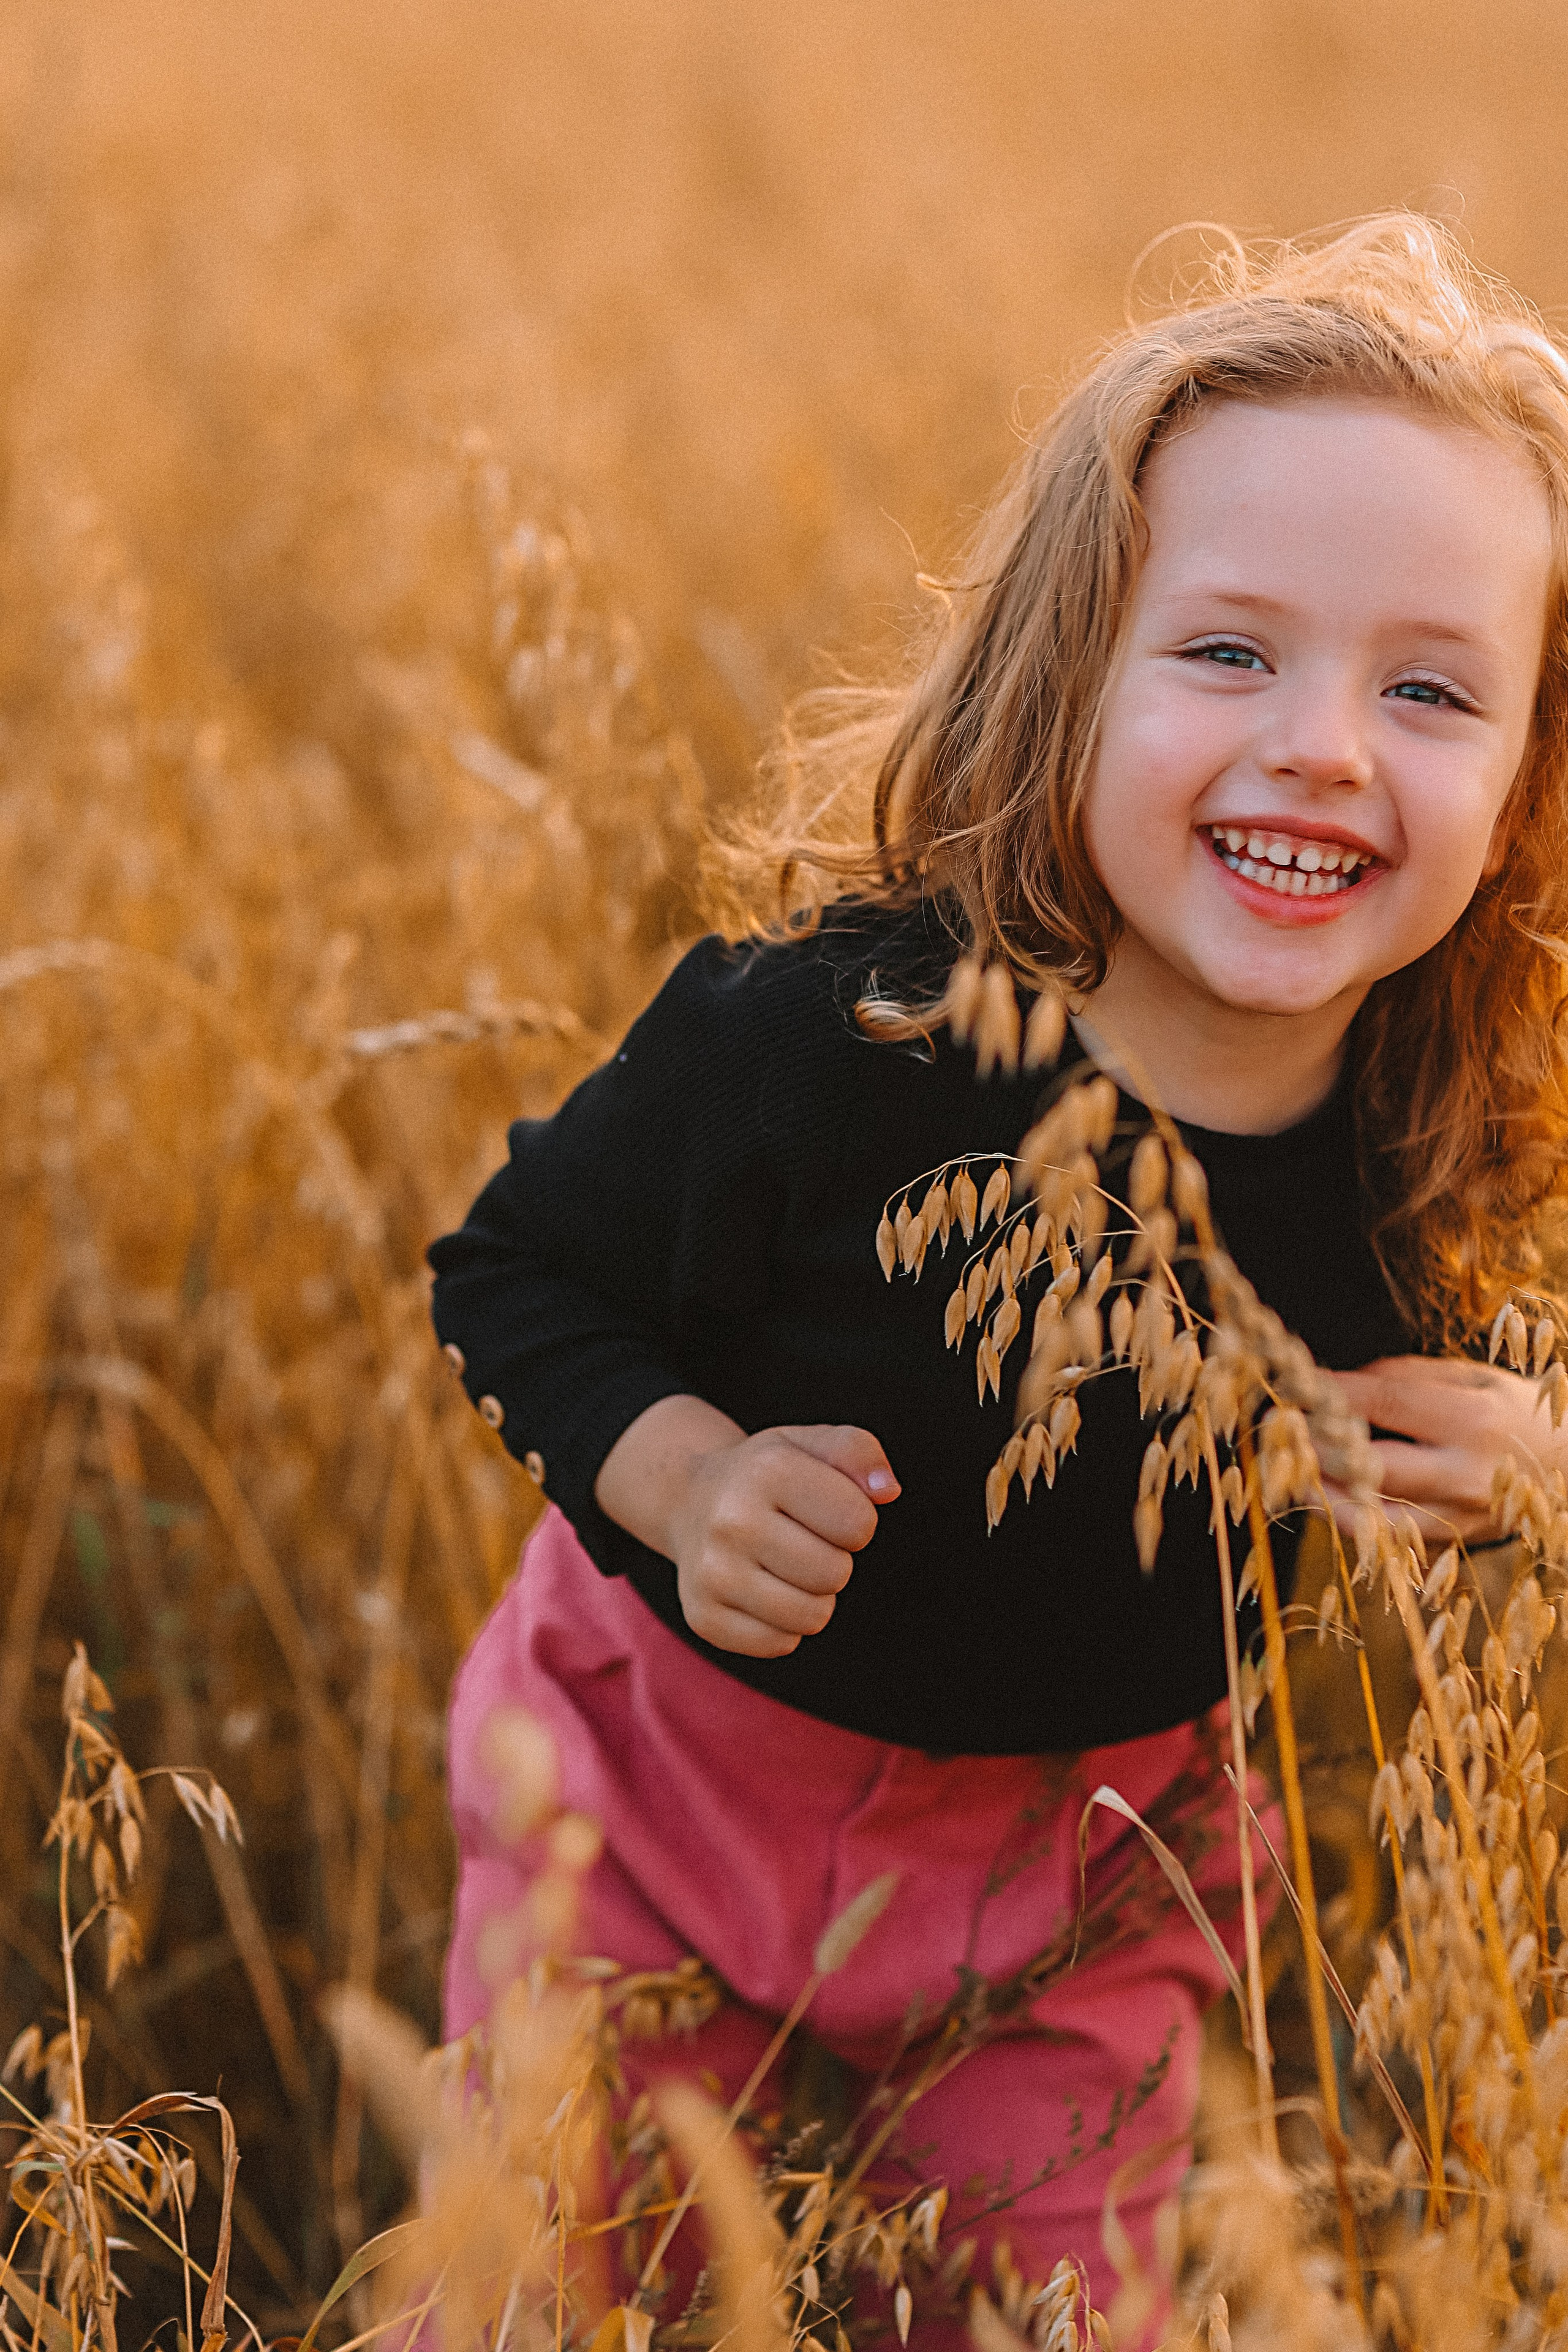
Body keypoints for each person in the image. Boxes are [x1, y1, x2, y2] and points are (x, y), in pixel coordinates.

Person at [428, 218, 1568, 2342]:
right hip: (652, 1808)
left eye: (1429, 689)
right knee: (536, 2302)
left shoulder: (1441, 1134)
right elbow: (517, 1267)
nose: (1326, 745)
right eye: (1230, 653)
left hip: (1093, 1885)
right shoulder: (829, 1041)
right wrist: (680, 1482)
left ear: (1517, 792)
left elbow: (1508, 1393)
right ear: (1072, 681)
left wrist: (1535, 1461)